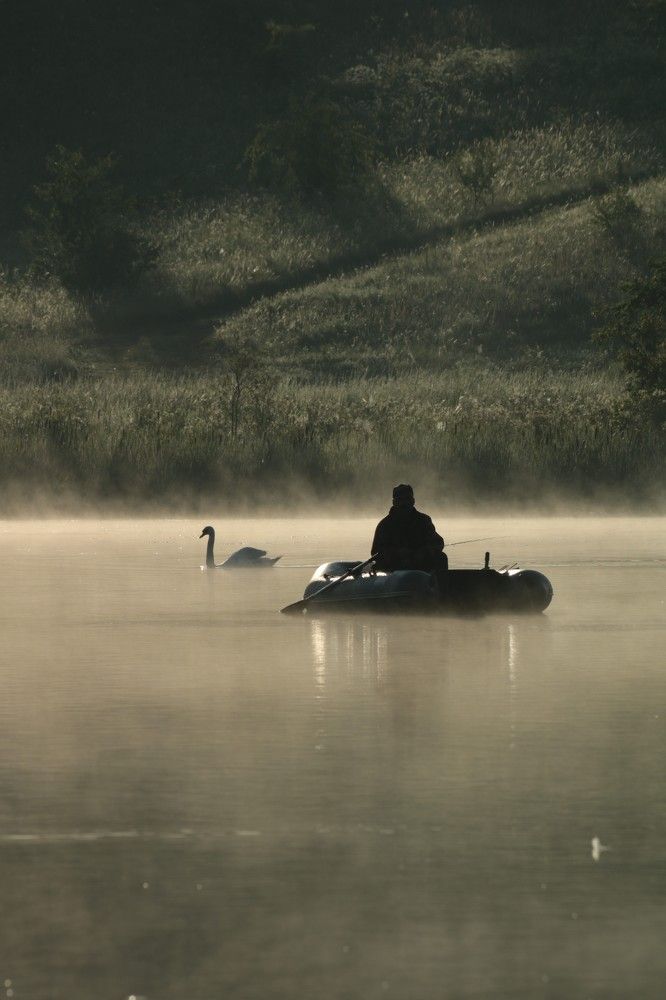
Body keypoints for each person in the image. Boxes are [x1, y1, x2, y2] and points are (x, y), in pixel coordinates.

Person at [371, 484, 448, 574]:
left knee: (441, 557)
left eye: (407, 499)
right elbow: (375, 552)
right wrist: (398, 554)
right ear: (394, 502)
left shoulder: (424, 520)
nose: (404, 503)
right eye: (400, 500)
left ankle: (438, 585)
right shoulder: (384, 525)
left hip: (419, 564)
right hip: (394, 568)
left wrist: (422, 553)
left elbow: (438, 543)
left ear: (413, 501)